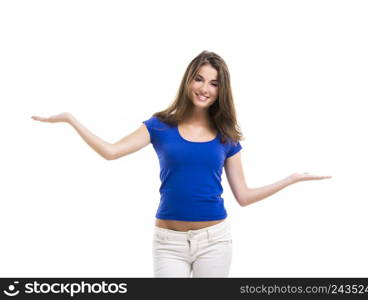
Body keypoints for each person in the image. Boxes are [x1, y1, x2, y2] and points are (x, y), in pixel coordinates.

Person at [31, 50, 331, 278]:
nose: (205, 88)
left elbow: (243, 196)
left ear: (220, 91)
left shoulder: (226, 136)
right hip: (168, 242)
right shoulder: (160, 126)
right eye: (199, 78)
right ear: (188, 80)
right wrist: (71, 119)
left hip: (215, 240)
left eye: (214, 83)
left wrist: (291, 179)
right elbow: (111, 152)